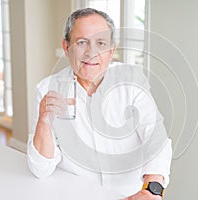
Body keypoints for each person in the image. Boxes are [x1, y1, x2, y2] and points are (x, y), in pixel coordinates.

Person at [27, 8, 172, 199]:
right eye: (81, 42)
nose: (91, 52)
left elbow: (155, 136)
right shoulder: (47, 89)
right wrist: (44, 122)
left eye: (101, 43)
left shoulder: (132, 81)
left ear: (111, 51)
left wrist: (152, 190)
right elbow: (40, 169)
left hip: (128, 195)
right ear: (66, 47)